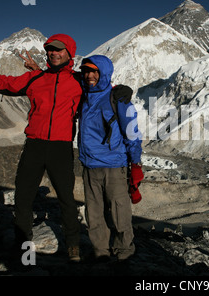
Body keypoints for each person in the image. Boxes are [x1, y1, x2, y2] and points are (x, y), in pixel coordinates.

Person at [0, 34, 83, 262]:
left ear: (69, 53)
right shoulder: (35, 78)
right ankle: (22, 246)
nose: (54, 53)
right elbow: (0, 83)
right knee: (23, 197)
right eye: (50, 49)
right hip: (34, 144)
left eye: (59, 49)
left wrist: (119, 93)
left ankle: (73, 245)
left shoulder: (79, 81)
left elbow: (102, 87)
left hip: (61, 147)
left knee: (66, 198)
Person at [78, 55, 143, 262]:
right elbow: (63, 77)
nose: (89, 76)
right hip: (89, 165)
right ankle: (101, 253)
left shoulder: (119, 100)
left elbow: (132, 133)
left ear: (103, 73)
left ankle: (124, 253)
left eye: (94, 71)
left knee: (119, 213)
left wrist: (136, 162)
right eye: (86, 71)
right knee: (94, 214)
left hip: (114, 165)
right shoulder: (84, 95)